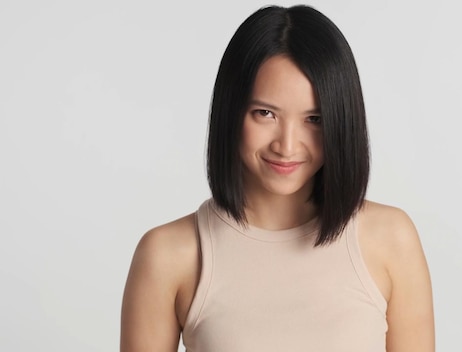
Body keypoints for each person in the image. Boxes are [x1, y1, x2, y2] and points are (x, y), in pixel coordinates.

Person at [121, 5, 434, 352]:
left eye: (314, 119)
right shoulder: (168, 255)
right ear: (231, 111)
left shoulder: (390, 240)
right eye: (265, 113)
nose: (286, 146)